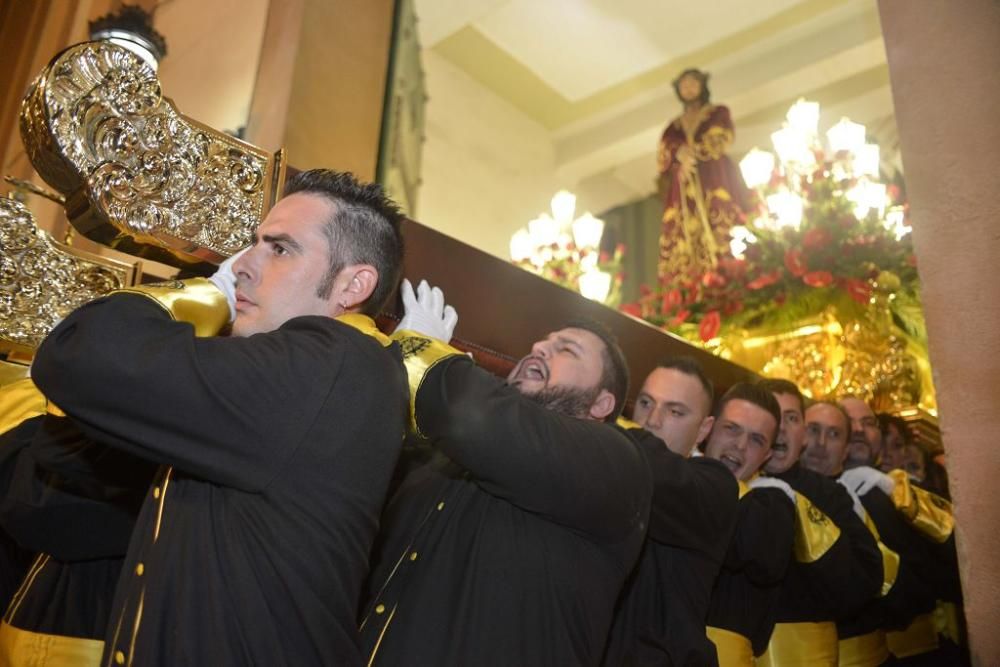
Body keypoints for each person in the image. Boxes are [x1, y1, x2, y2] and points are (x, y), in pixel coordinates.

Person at [26, 169, 409, 666]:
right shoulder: (280, 373)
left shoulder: (330, 365)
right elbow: (71, 448)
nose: (244, 265)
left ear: (352, 284)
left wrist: (201, 296)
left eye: (280, 249)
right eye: (255, 243)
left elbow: (80, 353)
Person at [360, 286, 652, 666]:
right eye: (542, 342)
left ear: (601, 403)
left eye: (566, 349)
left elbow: (475, 416)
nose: (539, 347)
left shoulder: (617, 463)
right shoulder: (444, 456)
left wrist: (422, 352)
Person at [602, 357, 739, 665]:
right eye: (646, 402)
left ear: (704, 429)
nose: (652, 419)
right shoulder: (608, 459)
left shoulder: (714, 485)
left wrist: (592, 415)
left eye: (675, 411)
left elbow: (657, 472)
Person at [803, 400, 944, 665]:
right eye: (813, 429)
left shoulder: (895, 495)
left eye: (868, 423)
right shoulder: (777, 489)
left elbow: (930, 582)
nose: (821, 442)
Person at [756, 379, 883, 667]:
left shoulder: (830, 495)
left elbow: (864, 580)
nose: (780, 427)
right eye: (771, 414)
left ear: (803, 435)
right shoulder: (726, 484)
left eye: (791, 418)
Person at [702, 383, 798, 665]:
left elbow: (764, 559)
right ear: (708, 428)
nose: (740, 446)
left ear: (766, 456)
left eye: (756, 440)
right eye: (731, 429)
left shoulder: (772, 504)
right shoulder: (672, 473)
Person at [657, 68, 749, 281]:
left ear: (702, 86)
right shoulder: (673, 126)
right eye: (684, 85)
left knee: (721, 222)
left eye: (692, 83)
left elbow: (721, 137)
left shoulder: (717, 112)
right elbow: (664, 152)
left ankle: (727, 269)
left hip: (713, 177)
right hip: (683, 188)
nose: (688, 89)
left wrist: (692, 154)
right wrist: (679, 154)